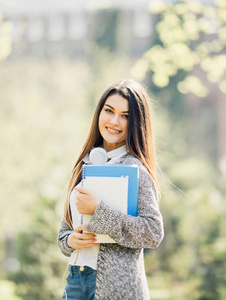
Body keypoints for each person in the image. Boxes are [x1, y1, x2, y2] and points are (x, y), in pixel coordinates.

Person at [57, 79, 164, 300]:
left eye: (125, 116)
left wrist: (99, 210)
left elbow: (153, 233)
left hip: (115, 289)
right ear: (99, 113)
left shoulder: (135, 170)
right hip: (76, 279)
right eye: (109, 111)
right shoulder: (85, 166)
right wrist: (70, 240)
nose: (115, 121)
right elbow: (64, 231)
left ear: (136, 123)